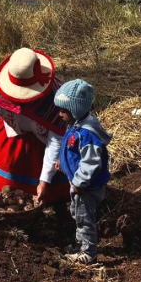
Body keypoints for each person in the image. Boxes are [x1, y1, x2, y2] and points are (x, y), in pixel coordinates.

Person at [0, 48, 69, 208]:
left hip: (44, 142)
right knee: (7, 185)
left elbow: (55, 142)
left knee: (51, 190)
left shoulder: (55, 101)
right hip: (14, 133)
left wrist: (44, 180)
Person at [53, 79, 111, 265]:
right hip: (80, 185)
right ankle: (81, 245)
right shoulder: (76, 125)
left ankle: (88, 253)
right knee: (77, 214)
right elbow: (73, 152)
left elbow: (90, 162)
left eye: (63, 110)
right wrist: (62, 163)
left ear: (76, 110)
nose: (59, 114)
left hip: (86, 187)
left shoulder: (87, 133)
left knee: (84, 218)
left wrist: (79, 182)